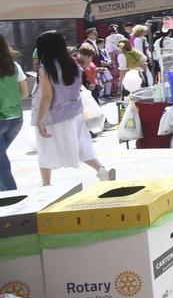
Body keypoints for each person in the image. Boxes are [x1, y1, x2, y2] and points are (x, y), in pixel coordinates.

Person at [34, 31, 115, 186]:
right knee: (81, 144)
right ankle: (102, 171)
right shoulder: (73, 64)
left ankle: (46, 185)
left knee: (45, 148)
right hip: (75, 111)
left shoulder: (46, 68)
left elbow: (47, 97)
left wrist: (39, 120)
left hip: (53, 114)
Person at [0, 34, 28, 191]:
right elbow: (24, 94)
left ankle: (12, 197)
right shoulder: (14, 66)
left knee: (2, 165)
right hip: (16, 119)